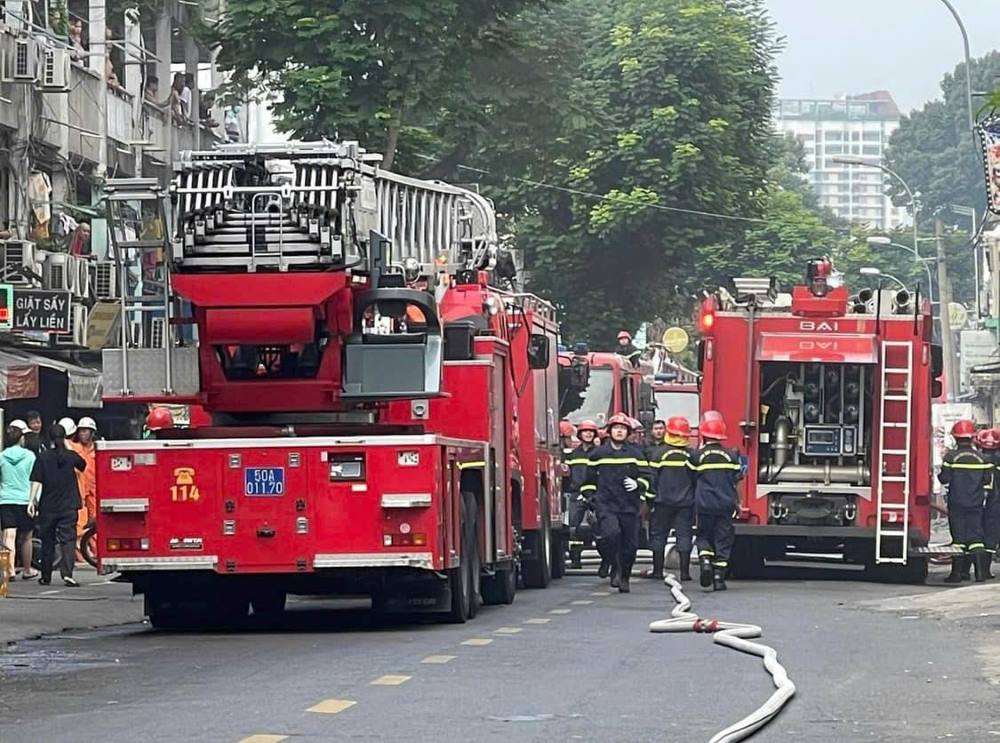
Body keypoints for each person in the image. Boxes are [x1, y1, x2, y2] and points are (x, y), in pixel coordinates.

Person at [582, 413, 650, 593]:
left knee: (631, 545)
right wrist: (591, 497)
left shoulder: (636, 454)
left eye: (623, 429)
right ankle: (615, 568)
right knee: (611, 535)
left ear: (627, 432)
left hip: (629, 505)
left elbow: (648, 477)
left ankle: (625, 576)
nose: (619, 432)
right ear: (610, 431)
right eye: (616, 428)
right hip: (607, 504)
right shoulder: (598, 454)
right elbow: (588, 480)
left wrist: (638, 484)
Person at [28, 424, 86, 587]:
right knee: (68, 540)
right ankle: (67, 574)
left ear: (49, 438)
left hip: (48, 506)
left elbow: (36, 481)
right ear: (64, 437)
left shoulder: (43, 457)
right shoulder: (70, 456)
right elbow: (83, 465)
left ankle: (45, 576)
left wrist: (31, 501)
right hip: (69, 505)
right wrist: (67, 447)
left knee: (48, 540)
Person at [691, 415, 743, 591]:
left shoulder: (697, 456)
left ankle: (705, 561)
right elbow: (737, 482)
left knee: (703, 535)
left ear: (704, 436)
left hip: (704, 504)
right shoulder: (732, 455)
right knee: (723, 539)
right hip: (726, 503)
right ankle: (719, 578)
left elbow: (691, 480)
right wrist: (739, 503)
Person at [643, 417, 695, 581]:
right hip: (686, 503)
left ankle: (658, 571)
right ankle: (685, 573)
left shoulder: (659, 454)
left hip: (662, 503)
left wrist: (649, 502)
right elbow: (696, 479)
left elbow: (652, 480)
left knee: (658, 536)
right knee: (684, 536)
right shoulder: (691, 455)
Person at [940, 420, 992, 583]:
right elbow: (986, 480)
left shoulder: (951, 457)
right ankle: (980, 574)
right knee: (976, 538)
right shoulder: (982, 458)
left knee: (959, 539)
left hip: (957, 504)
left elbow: (944, 479)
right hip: (976, 504)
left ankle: (957, 574)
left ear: (956, 438)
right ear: (972, 437)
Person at [0, 421, 38, 580]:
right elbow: (36, 480)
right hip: (25, 499)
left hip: (5, 499)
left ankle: (9, 570)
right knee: (27, 537)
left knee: (9, 535)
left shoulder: (1, 456)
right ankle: (28, 569)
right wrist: (35, 500)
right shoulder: (30, 456)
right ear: (21, 438)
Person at [565, 420, 600, 570]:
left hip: (596, 494)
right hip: (577, 494)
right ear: (579, 434)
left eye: (591, 432)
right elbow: (566, 474)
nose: (588, 434)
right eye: (585, 431)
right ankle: (575, 559)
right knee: (573, 528)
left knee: (601, 526)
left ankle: (606, 560)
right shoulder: (573, 455)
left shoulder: (599, 453)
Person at [980, 427, 1000, 580]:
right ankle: (984, 571)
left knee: (984, 538)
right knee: (990, 538)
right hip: (994, 503)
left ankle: (982, 571)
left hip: (982, 504)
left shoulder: (979, 458)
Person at [74, 417, 98, 541]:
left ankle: (95, 552)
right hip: (80, 491)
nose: (82, 434)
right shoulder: (74, 448)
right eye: (81, 431)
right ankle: (82, 554)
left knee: (95, 523)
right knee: (81, 524)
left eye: (85, 431)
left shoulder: (98, 449)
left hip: (95, 491)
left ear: (92, 433)